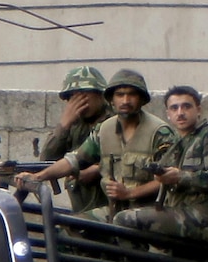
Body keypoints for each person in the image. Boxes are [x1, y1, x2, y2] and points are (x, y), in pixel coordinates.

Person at [15, 68, 175, 221]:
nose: (125, 101)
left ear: (141, 99)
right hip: (113, 208)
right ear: (112, 99)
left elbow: (170, 178)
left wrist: (129, 193)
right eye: (120, 95)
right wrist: (37, 177)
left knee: (122, 225)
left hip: (147, 210)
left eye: (132, 95)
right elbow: (73, 160)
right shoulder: (104, 129)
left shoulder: (159, 132)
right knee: (70, 229)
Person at [114, 85, 208, 245]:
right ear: (168, 114)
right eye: (174, 108)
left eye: (186, 106)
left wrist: (180, 176)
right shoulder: (175, 144)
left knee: (124, 220)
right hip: (179, 212)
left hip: (206, 217)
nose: (180, 112)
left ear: (198, 110)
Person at [39, 66, 114, 213]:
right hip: (82, 206)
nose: (79, 101)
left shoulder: (114, 121)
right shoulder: (75, 124)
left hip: (109, 207)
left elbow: (123, 158)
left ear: (100, 94)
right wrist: (64, 125)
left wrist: (97, 170)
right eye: (72, 96)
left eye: (84, 94)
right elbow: (47, 159)